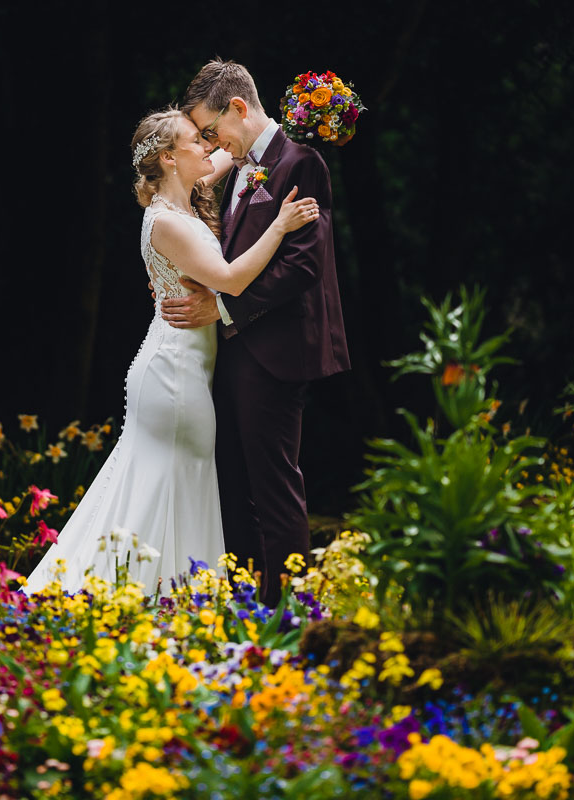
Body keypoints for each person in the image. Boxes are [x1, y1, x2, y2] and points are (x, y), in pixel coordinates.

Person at [25, 107, 318, 596]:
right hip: (175, 376)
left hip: (179, 369)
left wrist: (305, 117)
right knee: (172, 489)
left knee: (162, 488)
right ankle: (157, 602)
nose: (207, 145)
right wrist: (281, 225)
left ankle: (148, 600)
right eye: (194, 140)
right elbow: (231, 280)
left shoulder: (182, 199)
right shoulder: (168, 222)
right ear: (168, 157)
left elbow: (233, 149)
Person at [164, 59, 350, 605]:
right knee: (234, 479)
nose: (210, 141)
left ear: (238, 109)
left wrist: (222, 310)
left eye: (210, 129)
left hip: (277, 347)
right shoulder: (245, 163)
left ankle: (284, 608)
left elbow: (303, 266)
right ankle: (246, 597)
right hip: (239, 347)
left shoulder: (302, 163)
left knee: (273, 483)